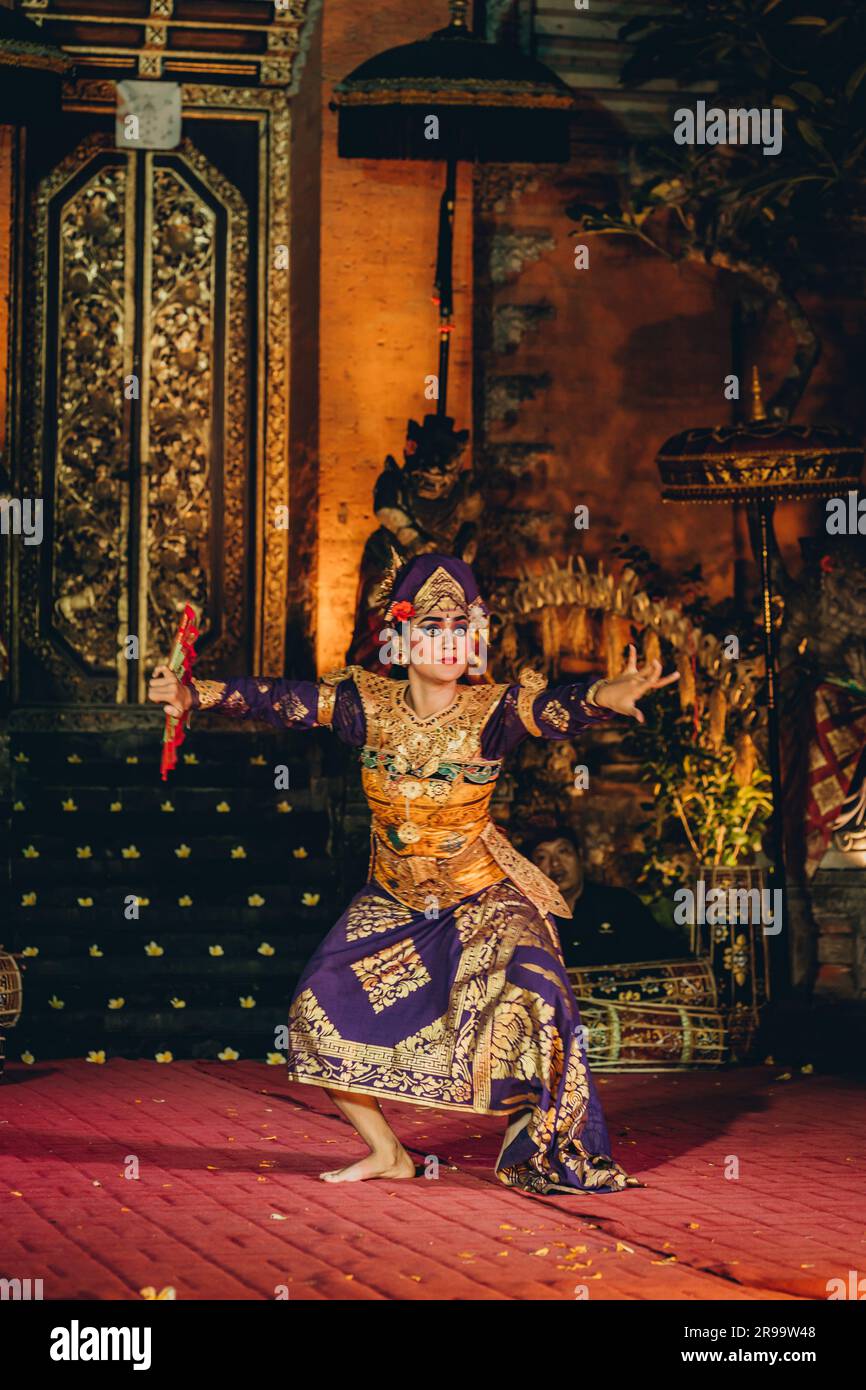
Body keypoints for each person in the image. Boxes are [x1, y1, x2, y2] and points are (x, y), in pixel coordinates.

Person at [148, 554, 678, 1196]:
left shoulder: (495, 712)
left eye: (463, 626)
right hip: (394, 899)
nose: (451, 641)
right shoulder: (362, 705)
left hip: (483, 893)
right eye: (434, 625)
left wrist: (603, 696)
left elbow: (557, 710)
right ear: (398, 640)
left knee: (533, 989)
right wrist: (193, 694)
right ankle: (387, 1151)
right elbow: (278, 701)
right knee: (313, 1014)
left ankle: (535, 1130)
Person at [526, 826, 683, 967]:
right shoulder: (530, 920)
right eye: (542, 857)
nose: (555, 864)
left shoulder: (620, 904)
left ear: (579, 855)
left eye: (563, 851)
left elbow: (662, 955)